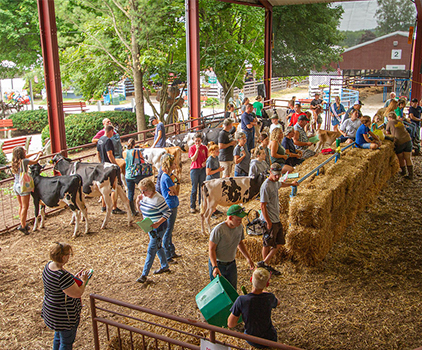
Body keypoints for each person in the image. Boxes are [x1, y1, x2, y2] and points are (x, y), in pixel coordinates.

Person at [42, 242, 90, 350]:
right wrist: (83, 281)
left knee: (58, 337)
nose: (69, 257)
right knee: (66, 343)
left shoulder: (48, 266)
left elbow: (63, 285)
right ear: (63, 257)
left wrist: (74, 279)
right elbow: (77, 293)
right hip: (65, 316)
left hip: (52, 311)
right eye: (69, 255)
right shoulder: (62, 276)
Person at [258, 163, 298, 275]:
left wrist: (291, 184)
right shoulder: (266, 186)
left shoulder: (276, 182)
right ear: (270, 172)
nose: (277, 177)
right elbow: (262, 206)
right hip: (269, 219)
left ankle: (264, 263)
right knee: (267, 243)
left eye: (279, 174)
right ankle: (264, 267)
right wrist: (268, 222)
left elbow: (280, 184)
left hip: (276, 218)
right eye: (275, 175)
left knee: (280, 242)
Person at [228, 268, 279, 348]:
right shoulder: (269, 297)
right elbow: (278, 302)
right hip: (270, 339)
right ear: (267, 285)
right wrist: (266, 293)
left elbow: (230, 324)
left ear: (251, 279)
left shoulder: (242, 300)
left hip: (252, 340)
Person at [208, 204, 255, 290]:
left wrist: (248, 258)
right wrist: (215, 267)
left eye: (241, 219)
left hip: (231, 264)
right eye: (238, 219)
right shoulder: (218, 230)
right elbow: (211, 249)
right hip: (219, 264)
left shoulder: (240, 227)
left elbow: (240, 243)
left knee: (232, 289)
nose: (240, 222)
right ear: (230, 218)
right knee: (218, 290)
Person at [135, 178, 171, 283]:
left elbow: (167, 213)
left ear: (151, 189)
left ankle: (144, 275)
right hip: (149, 227)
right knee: (158, 246)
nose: (143, 193)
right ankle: (165, 266)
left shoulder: (158, 199)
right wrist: (138, 202)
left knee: (151, 250)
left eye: (144, 190)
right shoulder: (144, 197)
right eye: (141, 191)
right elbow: (140, 210)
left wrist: (158, 223)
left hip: (158, 228)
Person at [11, 147, 43, 235]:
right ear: (22, 153)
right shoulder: (24, 161)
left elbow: (26, 157)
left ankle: (22, 223)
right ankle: (23, 226)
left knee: (21, 206)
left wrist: (35, 152)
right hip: (23, 186)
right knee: (25, 207)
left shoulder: (14, 161)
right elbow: (35, 161)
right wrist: (39, 155)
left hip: (16, 185)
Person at [96, 125, 126, 214]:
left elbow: (97, 153)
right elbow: (110, 154)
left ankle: (103, 206)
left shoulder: (100, 140)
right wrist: (115, 165)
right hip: (109, 167)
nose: (113, 134)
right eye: (113, 132)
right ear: (111, 131)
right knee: (114, 187)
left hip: (103, 166)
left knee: (104, 187)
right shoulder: (108, 141)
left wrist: (101, 162)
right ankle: (114, 207)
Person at [160, 154, 182, 264]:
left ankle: (171, 251)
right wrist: (178, 183)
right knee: (168, 231)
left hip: (171, 203)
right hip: (171, 205)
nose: (175, 164)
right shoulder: (167, 178)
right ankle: (167, 256)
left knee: (170, 230)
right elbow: (176, 192)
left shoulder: (167, 177)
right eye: (174, 163)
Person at [123, 138, 149, 216]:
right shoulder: (137, 151)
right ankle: (145, 206)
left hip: (128, 174)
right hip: (137, 173)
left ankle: (132, 211)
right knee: (143, 190)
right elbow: (142, 161)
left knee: (130, 192)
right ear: (135, 144)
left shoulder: (124, 152)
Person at [385, 112, 413, 179]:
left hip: (399, 141)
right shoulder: (400, 121)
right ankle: (411, 174)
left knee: (400, 157)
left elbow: (387, 132)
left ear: (390, 118)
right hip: (408, 139)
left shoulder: (390, 122)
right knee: (407, 157)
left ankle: (403, 172)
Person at [188, 132, 208, 213]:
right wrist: (197, 149)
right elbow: (193, 159)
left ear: (201, 140)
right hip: (194, 169)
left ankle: (201, 205)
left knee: (201, 188)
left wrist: (205, 162)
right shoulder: (192, 148)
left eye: (199, 141)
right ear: (193, 140)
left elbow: (207, 157)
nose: (197, 143)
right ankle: (192, 206)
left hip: (202, 169)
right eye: (196, 141)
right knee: (194, 188)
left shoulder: (205, 148)